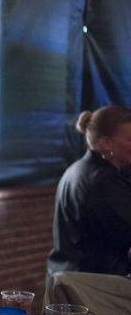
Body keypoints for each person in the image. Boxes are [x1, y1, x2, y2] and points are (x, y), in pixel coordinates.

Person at [48, 105, 131, 278]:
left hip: (70, 277)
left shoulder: (77, 169)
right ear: (106, 143)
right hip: (92, 286)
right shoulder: (103, 181)